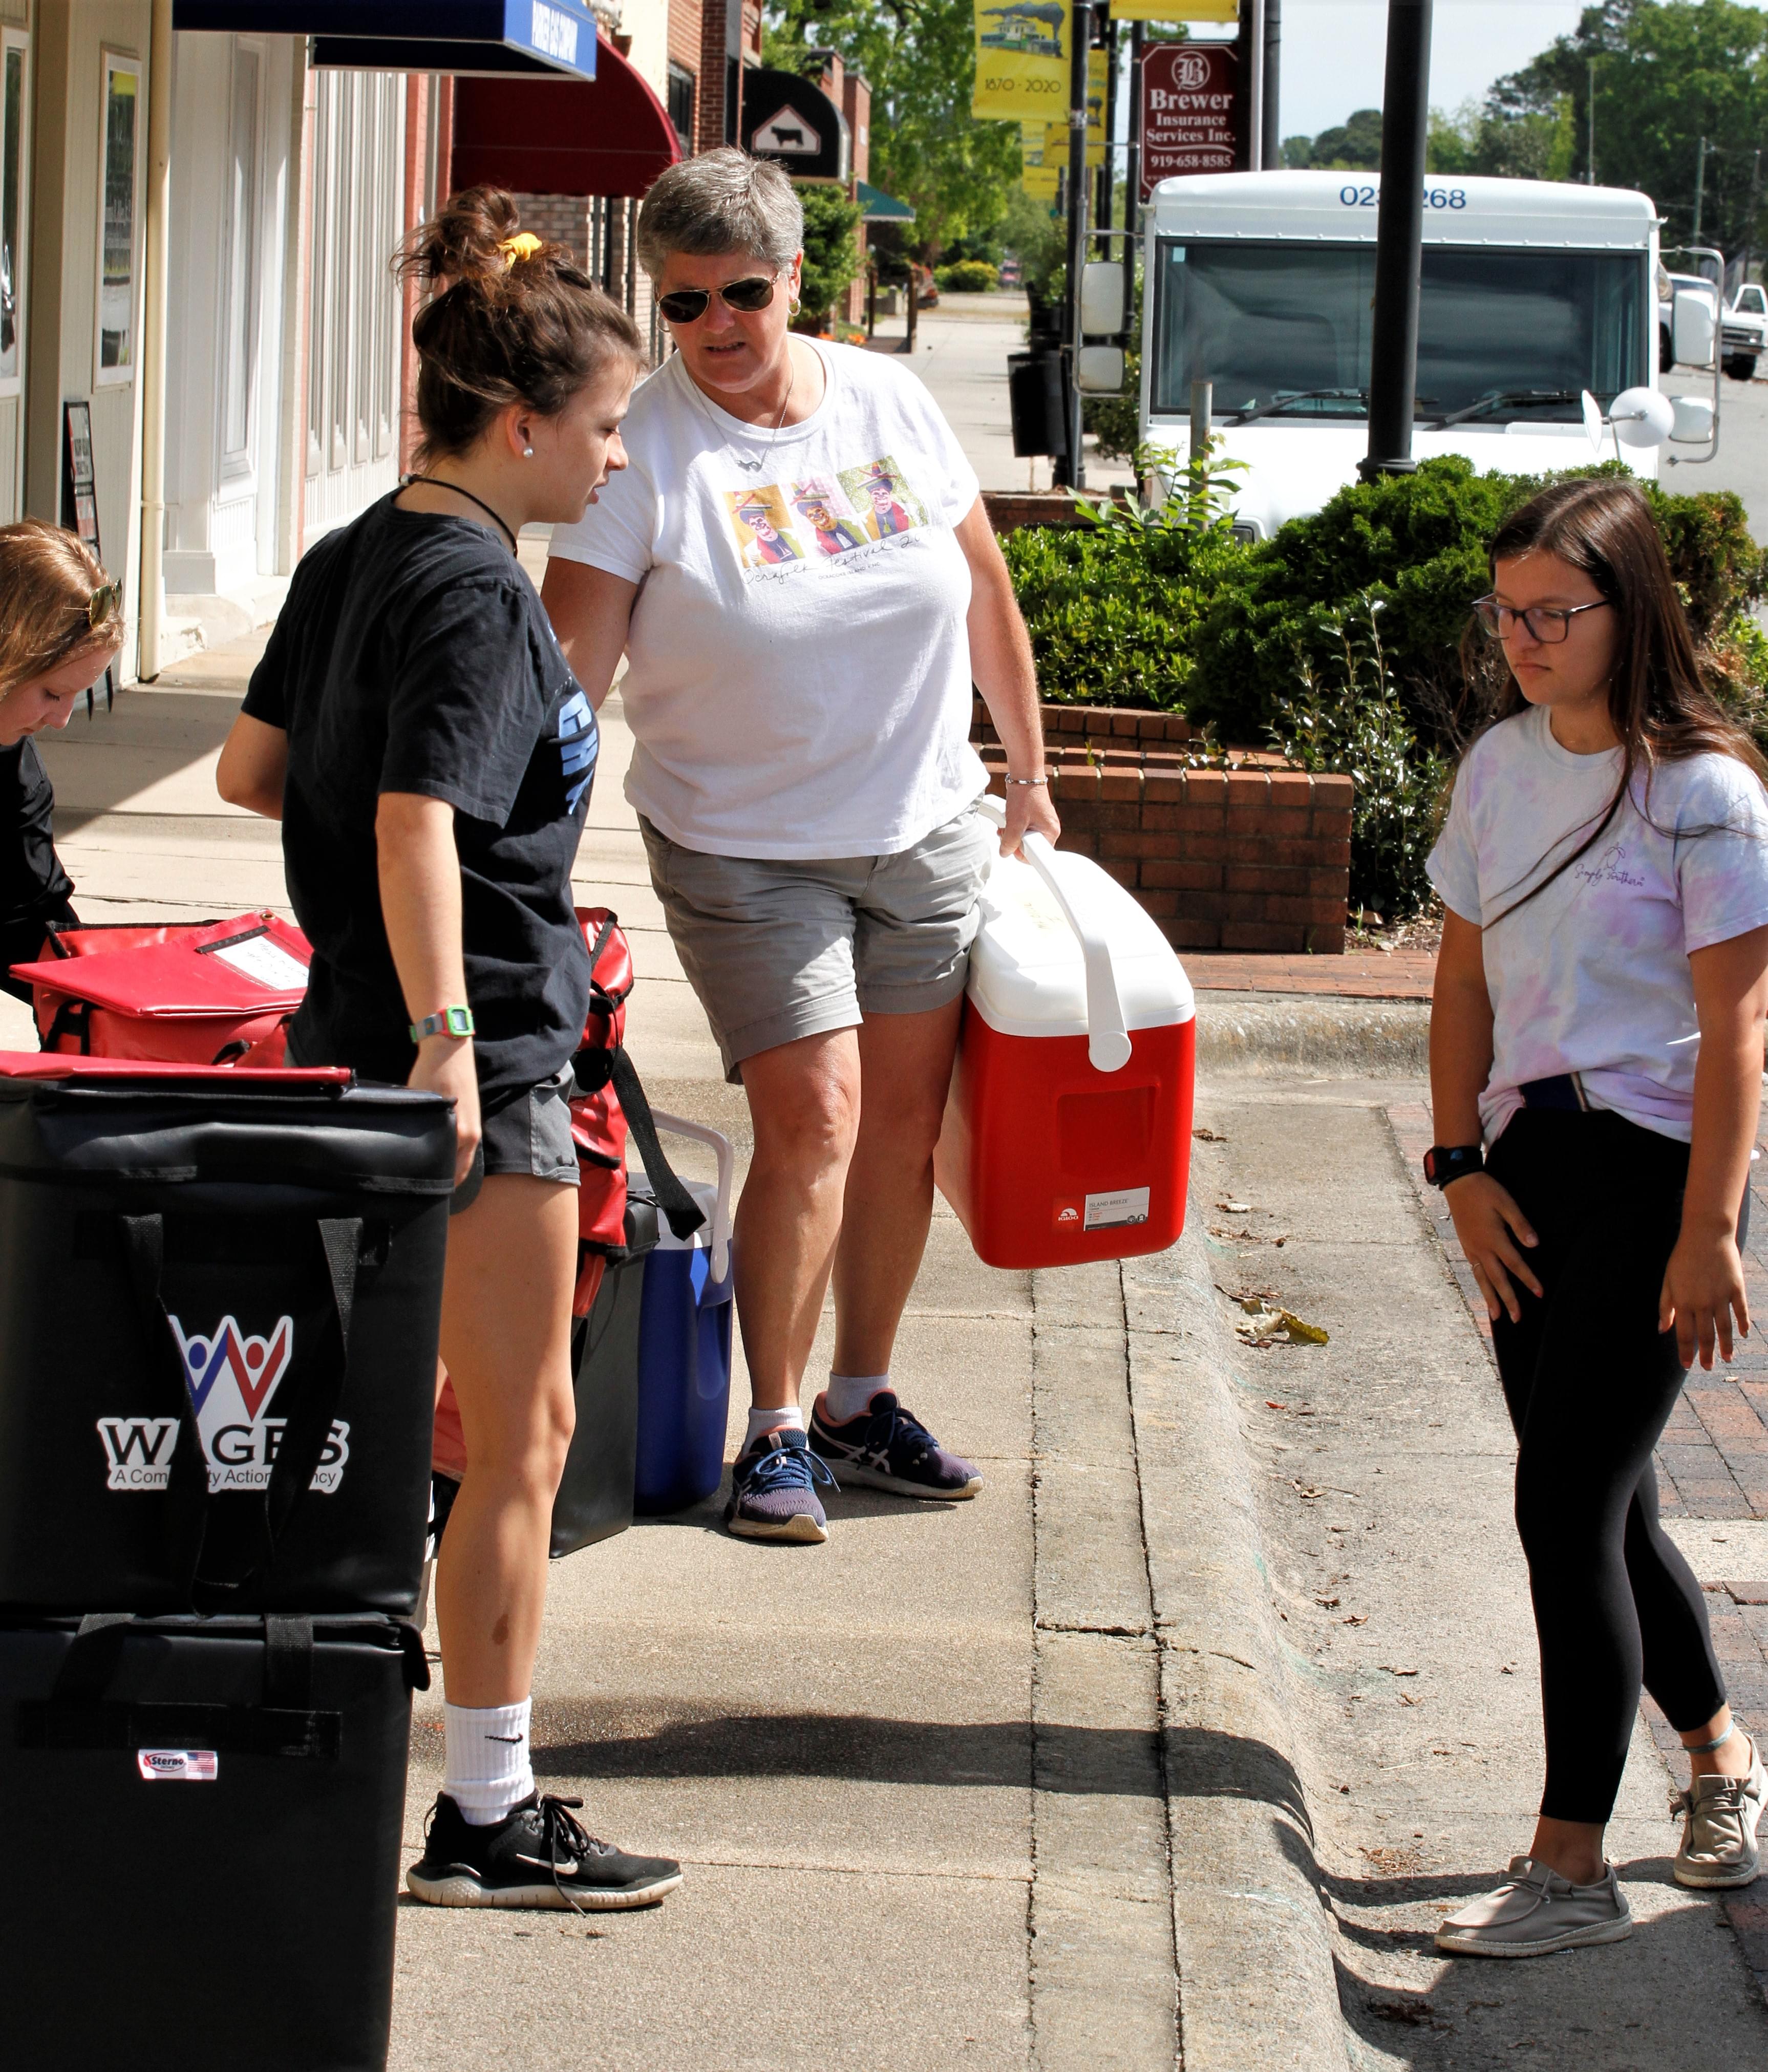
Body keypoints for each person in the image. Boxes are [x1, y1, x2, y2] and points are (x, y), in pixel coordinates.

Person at [216, 189, 681, 1912]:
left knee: (386, 1427)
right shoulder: (480, 590)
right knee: (518, 1435)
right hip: (472, 1059)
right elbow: (421, 813)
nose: (617, 461)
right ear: (523, 423)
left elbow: (252, 776)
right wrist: (452, 1037)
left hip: (353, 1037)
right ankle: (486, 1813)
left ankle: (331, 1752)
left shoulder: (359, 547)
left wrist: (387, 979)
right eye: (609, 427)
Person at [541, 149, 1056, 1546]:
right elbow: (567, 679)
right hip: (741, 845)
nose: (715, 323)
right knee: (813, 1117)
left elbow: (981, 586)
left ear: (797, 281)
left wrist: (1026, 764)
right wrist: (524, 844)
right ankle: (772, 1424)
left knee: (901, 1128)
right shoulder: (638, 451)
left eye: (743, 294)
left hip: (923, 821)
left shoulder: (886, 399)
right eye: (684, 300)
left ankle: (859, 1396)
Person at [1424, 477, 1768, 1959]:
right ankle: (1719, 1756)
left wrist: (1711, 1228)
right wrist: (1455, 1167)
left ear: (1628, 610)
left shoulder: (1703, 790)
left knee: (1560, 1502)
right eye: (1504, 612)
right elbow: (1457, 977)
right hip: (1524, 1170)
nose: (1520, 637)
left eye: (1551, 612)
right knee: (1602, 1498)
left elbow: (1736, 1021)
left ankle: (1567, 1862)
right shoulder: (1497, 767)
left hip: (1655, 1171)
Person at [0, 521, 123, 997]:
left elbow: (34, 925)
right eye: (53, 693)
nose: (62, 720)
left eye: (77, 697)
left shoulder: (17, 779)